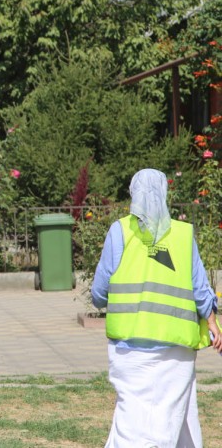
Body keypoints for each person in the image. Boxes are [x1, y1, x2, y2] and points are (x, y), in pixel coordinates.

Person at [91, 168, 222, 447]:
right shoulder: (183, 234)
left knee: (132, 420)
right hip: (176, 351)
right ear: (165, 193)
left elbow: (99, 293)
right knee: (173, 418)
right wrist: (212, 323)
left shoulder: (120, 231)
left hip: (129, 350)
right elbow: (200, 289)